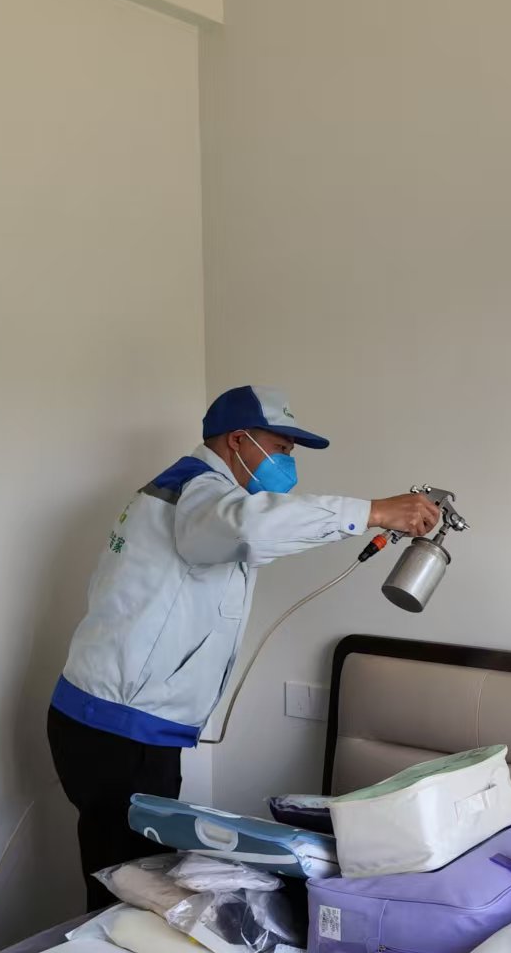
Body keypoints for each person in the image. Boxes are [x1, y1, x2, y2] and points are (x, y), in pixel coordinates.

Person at [47, 383, 440, 910]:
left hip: (115, 720)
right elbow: (252, 528)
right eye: (279, 448)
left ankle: (101, 952)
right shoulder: (199, 493)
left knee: (125, 875)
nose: (287, 463)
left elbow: (254, 532)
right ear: (237, 440)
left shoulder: (193, 495)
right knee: (126, 886)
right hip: (119, 729)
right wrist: (371, 511)